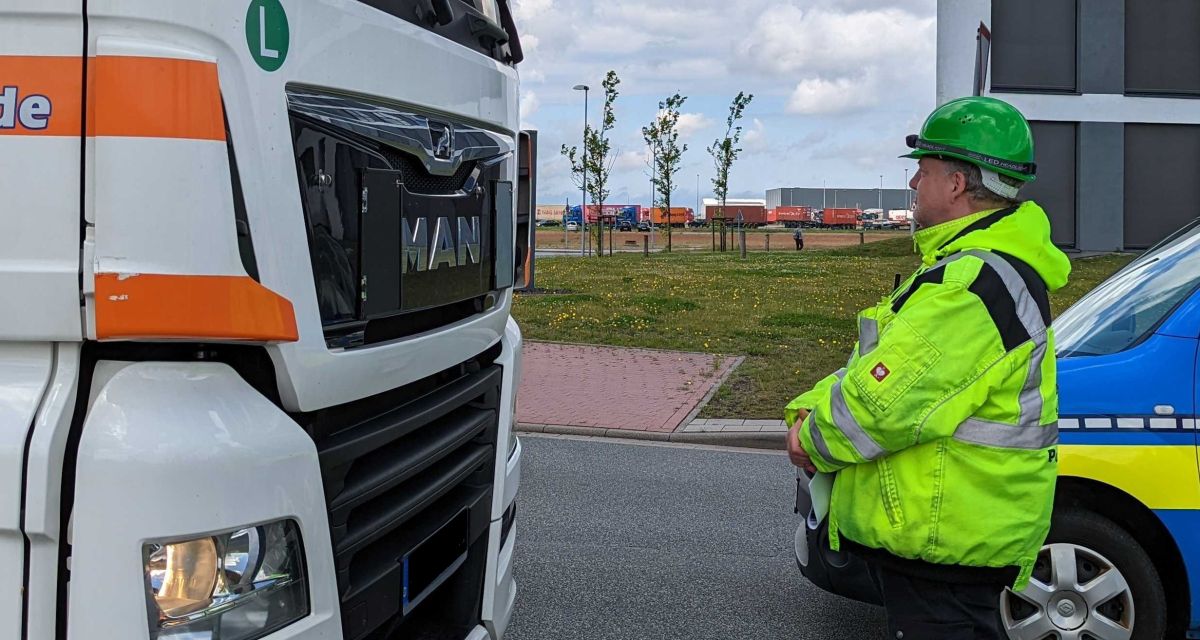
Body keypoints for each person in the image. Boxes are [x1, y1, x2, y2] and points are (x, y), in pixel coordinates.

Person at [784, 96, 1070, 640]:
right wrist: (808, 405)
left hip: (946, 541)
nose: (914, 182)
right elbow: (877, 367)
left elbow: (885, 404)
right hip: (947, 534)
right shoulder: (968, 269)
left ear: (957, 183)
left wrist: (811, 438)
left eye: (924, 170)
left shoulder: (972, 285)